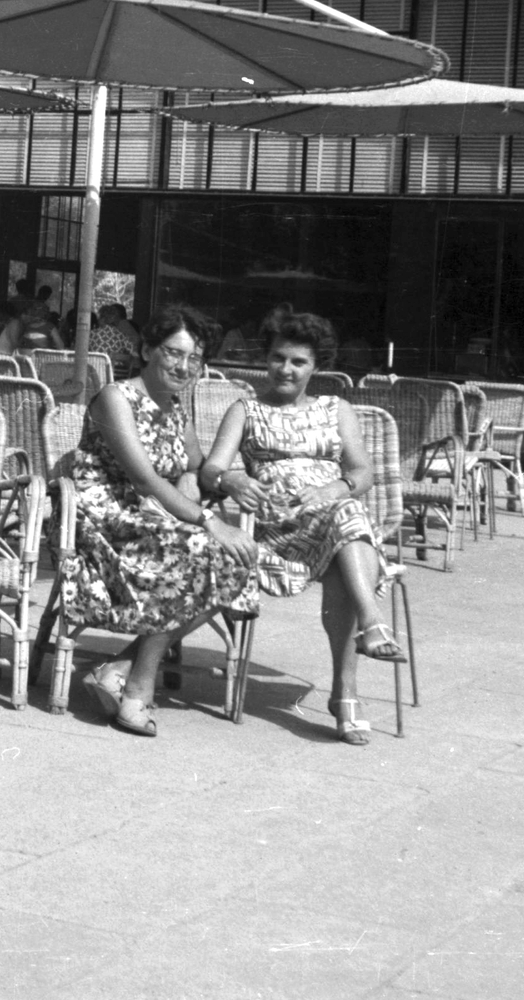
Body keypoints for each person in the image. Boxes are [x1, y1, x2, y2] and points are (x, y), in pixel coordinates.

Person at [200, 304, 407, 746]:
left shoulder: (337, 409)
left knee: (345, 518)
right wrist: (234, 478)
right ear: (266, 358)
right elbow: (210, 470)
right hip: (278, 529)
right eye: (278, 358)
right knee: (350, 532)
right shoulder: (246, 409)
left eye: (298, 361)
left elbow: (362, 472)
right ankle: (362, 651)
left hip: (331, 519)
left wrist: (331, 490)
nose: (286, 369)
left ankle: (348, 683)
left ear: (316, 366)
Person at [58, 303, 258, 737]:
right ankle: (137, 690)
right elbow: (144, 480)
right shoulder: (116, 398)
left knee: (238, 559)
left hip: (156, 519)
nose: (184, 366)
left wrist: (214, 476)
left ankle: (123, 668)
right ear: (147, 350)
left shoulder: (174, 408)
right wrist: (208, 519)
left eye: (194, 358)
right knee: (204, 547)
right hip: (109, 521)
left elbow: (197, 463)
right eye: (173, 353)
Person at [91, 302, 140, 376]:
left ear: (102, 319)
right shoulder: (120, 335)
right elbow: (134, 352)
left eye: (99, 318)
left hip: (94, 373)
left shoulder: (92, 334)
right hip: (114, 376)